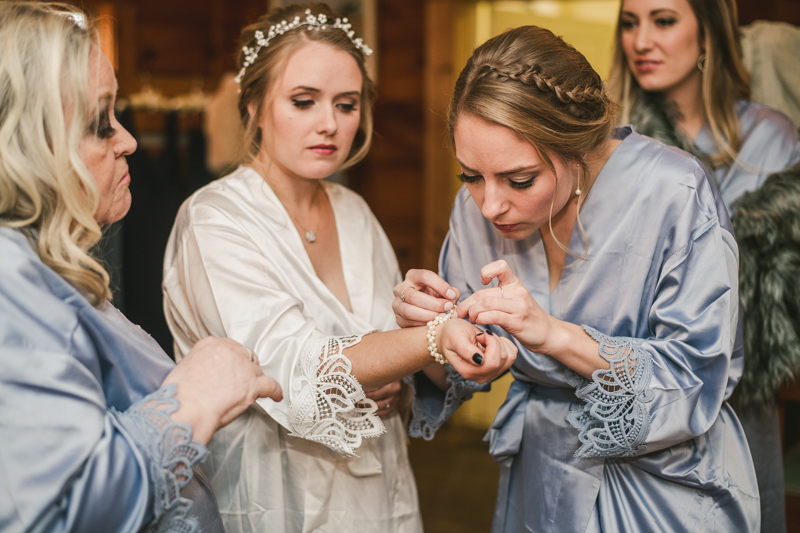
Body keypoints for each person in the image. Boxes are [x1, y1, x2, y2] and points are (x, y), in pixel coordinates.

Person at [162, 4, 516, 532]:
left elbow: (390, 362)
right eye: (303, 102)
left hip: (378, 497)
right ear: (255, 105)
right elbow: (295, 372)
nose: (329, 124)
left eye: (346, 104)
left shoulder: (355, 214)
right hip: (271, 497)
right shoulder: (213, 220)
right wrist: (433, 338)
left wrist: (428, 336)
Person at [395, 25, 760, 532]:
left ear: (578, 146)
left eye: (520, 180)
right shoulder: (474, 209)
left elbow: (695, 377)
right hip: (540, 479)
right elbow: (455, 373)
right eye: (470, 175)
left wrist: (553, 335)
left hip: (664, 490)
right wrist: (429, 335)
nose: (491, 204)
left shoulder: (674, 191)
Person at [0, 3, 284, 533]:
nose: (128, 140)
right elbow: (71, 510)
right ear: (27, 145)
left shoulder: (45, 270)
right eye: (99, 122)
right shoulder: (9, 283)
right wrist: (194, 396)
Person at [610, 1, 800, 530]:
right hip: (645, 404)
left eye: (663, 20)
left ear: (709, 34)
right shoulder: (615, 141)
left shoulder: (773, 138)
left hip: (744, 407)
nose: (641, 41)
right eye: (630, 23)